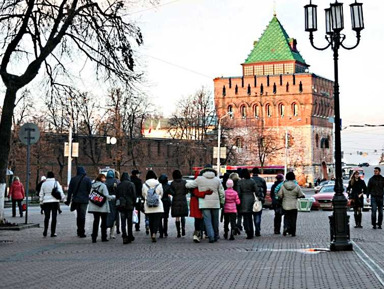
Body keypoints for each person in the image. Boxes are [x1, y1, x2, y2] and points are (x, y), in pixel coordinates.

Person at [186, 166, 224, 243]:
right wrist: (222, 202)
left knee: (208, 221)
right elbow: (221, 193)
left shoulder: (199, 179)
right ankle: (216, 235)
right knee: (215, 221)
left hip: (204, 203)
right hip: (215, 204)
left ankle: (211, 236)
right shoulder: (217, 180)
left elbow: (188, 185)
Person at [65, 166, 92, 238]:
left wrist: (68, 201)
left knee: (78, 215)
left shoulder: (73, 179)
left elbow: (70, 191)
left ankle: (78, 230)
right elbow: (90, 190)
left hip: (76, 200)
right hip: (84, 200)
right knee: (82, 216)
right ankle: (82, 232)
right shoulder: (87, 179)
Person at [88, 174, 115, 243]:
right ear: (101, 178)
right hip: (102, 206)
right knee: (104, 222)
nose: (105, 179)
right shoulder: (103, 186)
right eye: (104, 178)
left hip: (94, 206)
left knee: (96, 222)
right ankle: (103, 237)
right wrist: (113, 197)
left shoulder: (92, 186)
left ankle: (94, 237)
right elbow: (106, 195)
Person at [278, 172, 305, 237]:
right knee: (293, 219)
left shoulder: (283, 186)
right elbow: (301, 195)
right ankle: (293, 232)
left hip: (285, 205)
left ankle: (286, 228)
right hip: (294, 205)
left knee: (286, 217)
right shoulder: (296, 186)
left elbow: (279, 195)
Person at [39, 172, 65, 237]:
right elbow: (61, 192)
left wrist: (41, 202)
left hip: (46, 202)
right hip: (54, 201)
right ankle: (53, 232)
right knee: (54, 217)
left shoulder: (44, 184)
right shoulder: (56, 183)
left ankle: (45, 231)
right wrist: (64, 199)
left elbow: (41, 194)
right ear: (53, 176)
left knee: (46, 217)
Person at [237, 169, 259, 239]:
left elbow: (238, 192)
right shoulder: (252, 181)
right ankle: (251, 232)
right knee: (250, 216)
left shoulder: (240, 182)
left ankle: (247, 231)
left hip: (243, 199)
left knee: (245, 216)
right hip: (251, 198)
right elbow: (256, 191)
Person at [142, 170, 164, 242]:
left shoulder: (144, 185)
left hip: (148, 205)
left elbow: (143, 194)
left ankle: (152, 233)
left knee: (150, 220)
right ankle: (154, 232)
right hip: (158, 205)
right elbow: (161, 194)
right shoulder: (159, 184)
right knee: (156, 220)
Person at [115, 172, 136, 244]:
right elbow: (134, 195)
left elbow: (117, 195)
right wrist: (134, 203)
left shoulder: (119, 185)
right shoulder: (131, 184)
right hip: (129, 205)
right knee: (129, 222)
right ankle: (130, 235)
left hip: (121, 205)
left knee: (123, 221)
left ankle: (124, 236)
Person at [170, 170, 189, 238]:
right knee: (182, 215)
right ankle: (183, 228)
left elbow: (171, 192)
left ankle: (178, 232)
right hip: (183, 200)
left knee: (177, 217)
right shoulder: (184, 182)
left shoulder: (172, 183)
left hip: (175, 200)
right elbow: (187, 190)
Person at [251, 167, 266, 237]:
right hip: (260, 199)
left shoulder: (250, 180)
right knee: (258, 214)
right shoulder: (262, 180)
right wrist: (263, 198)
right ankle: (257, 229)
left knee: (252, 214)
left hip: (251, 199)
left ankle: (252, 229)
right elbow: (265, 190)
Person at [105, 170, 120, 239]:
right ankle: (112, 233)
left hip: (105, 201)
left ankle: (104, 231)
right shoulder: (116, 181)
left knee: (105, 217)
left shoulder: (104, 181)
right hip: (114, 201)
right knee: (114, 217)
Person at [158, 174, 173, 238]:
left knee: (159, 218)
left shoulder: (158, 186)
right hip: (166, 202)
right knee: (165, 218)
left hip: (160, 202)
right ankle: (165, 231)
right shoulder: (168, 186)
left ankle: (161, 232)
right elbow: (172, 192)